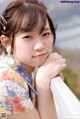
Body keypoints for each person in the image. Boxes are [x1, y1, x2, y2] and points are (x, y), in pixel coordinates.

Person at [0, 0, 66, 119]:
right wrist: (42, 82)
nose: (40, 46)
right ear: (7, 43)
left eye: (45, 34)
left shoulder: (19, 71)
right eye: (27, 36)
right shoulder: (7, 83)